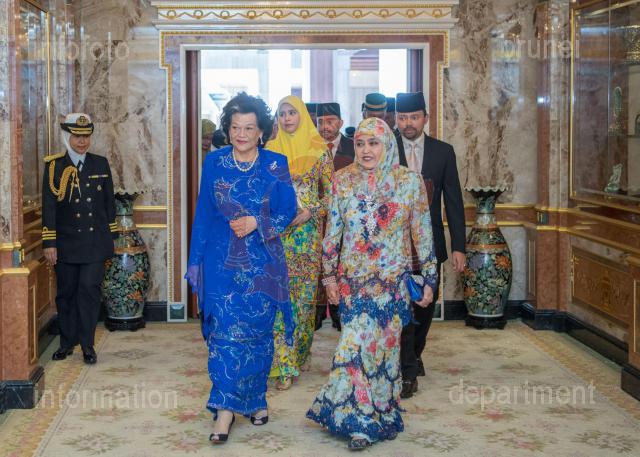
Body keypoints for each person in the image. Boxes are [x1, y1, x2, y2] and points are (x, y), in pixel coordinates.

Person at [307, 117, 438, 450]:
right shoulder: (342, 180)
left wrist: (429, 279)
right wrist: (329, 277)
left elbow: (423, 234)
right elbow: (332, 234)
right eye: (360, 143)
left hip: (392, 286)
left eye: (374, 143)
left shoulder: (409, 182)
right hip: (353, 283)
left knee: (383, 352)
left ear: (387, 145)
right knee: (352, 346)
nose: (366, 150)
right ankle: (361, 421)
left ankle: (381, 409)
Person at [186, 92, 297, 444]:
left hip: (263, 264)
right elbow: (204, 213)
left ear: (261, 131)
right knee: (223, 334)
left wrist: (257, 223)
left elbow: (288, 211)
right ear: (228, 129)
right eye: (235, 127)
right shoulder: (214, 162)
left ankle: (256, 399)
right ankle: (224, 410)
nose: (242, 134)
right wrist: (195, 261)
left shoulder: (275, 164)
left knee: (257, 335)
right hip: (221, 263)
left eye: (249, 128)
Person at [395, 91, 466, 398]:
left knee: (425, 304)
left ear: (425, 117)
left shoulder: (443, 152)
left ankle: (414, 352)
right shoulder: (386, 147)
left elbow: (454, 201)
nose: (408, 124)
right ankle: (407, 366)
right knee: (401, 305)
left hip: (430, 242)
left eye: (413, 117)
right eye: (402, 118)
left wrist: (458, 246)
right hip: (394, 244)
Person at [266, 95, 334, 390]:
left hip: (306, 237)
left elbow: (333, 195)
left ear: (302, 115)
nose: (287, 118)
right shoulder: (269, 151)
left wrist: (310, 211)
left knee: (304, 303)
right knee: (277, 299)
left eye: (292, 112)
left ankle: (301, 350)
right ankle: (285, 365)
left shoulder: (320, 151)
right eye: (282, 113)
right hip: (276, 235)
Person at [43, 113, 118, 365]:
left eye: (86, 136)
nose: (82, 141)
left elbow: (109, 203)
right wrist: (49, 242)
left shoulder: (100, 164)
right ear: (67, 136)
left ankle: (87, 345)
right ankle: (67, 343)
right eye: (77, 136)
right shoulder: (54, 166)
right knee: (66, 294)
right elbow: (49, 207)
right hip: (65, 243)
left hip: (95, 242)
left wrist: (111, 238)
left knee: (88, 291)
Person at [317, 102, 354, 171]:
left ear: (340, 123)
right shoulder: (310, 147)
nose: (324, 127)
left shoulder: (353, 147)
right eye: (320, 122)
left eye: (329, 122)